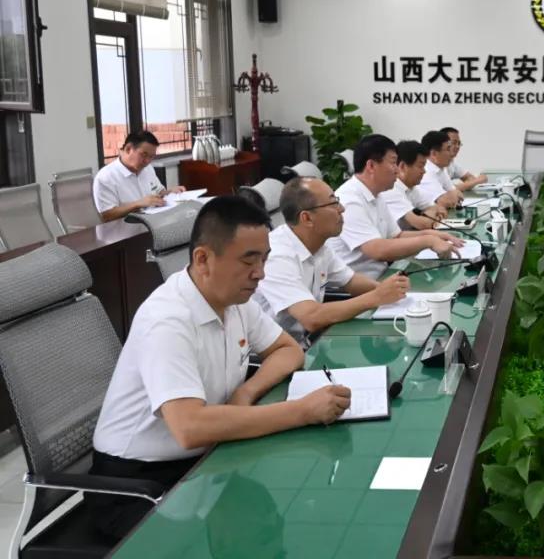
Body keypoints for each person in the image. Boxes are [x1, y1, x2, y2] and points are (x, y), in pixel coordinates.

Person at [89, 197, 351, 541]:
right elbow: (190, 427)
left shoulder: (233, 299)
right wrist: (302, 411)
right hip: (138, 487)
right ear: (203, 259)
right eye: (248, 260)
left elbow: (288, 350)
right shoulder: (167, 320)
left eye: (264, 259)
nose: (260, 273)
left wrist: (246, 391)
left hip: (205, 461)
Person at [254, 177, 411, 345]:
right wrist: (376, 297)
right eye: (333, 203)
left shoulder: (319, 245)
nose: (342, 209)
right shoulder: (276, 256)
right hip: (275, 353)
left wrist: (390, 290)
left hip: (305, 342)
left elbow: (350, 281)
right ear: (307, 218)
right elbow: (311, 317)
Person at [328, 134, 463, 279]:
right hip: (359, 286)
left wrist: (434, 235)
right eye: (393, 163)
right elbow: (377, 250)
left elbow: (396, 236)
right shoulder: (349, 200)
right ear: (371, 166)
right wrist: (428, 241)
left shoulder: (376, 194)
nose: (397, 170)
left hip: (382, 276)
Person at [92, 130, 187, 221]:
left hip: (153, 221)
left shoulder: (147, 168)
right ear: (128, 149)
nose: (147, 161)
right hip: (125, 227)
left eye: (151, 157)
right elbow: (107, 215)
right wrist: (138, 204)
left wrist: (170, 192)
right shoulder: (106, 177)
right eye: (144, 155)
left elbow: (158, 193)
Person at [383, 140, 449, 231]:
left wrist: (430, 216)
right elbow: (422, 224)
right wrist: (432, 218)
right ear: (402, 166)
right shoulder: (392, 190)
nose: (424, 171)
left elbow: (439, 208)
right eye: (420, 166)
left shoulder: (412, 188)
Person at [417, 130, 464, 209]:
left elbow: (458, 194)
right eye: (448, 149)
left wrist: (452, 195)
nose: (451, 153)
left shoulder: (441, 168)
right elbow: (446, 202)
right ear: (434, 154)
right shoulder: (426, 171)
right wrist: (451, 195)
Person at [441, 126, 488, 192]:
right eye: (454, 143)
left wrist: (465, 185)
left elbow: (470, 177)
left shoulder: (451, 163)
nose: (457, 146)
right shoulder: (437, 164)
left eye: (459, 143)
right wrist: (478, 180)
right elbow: (450, 190)